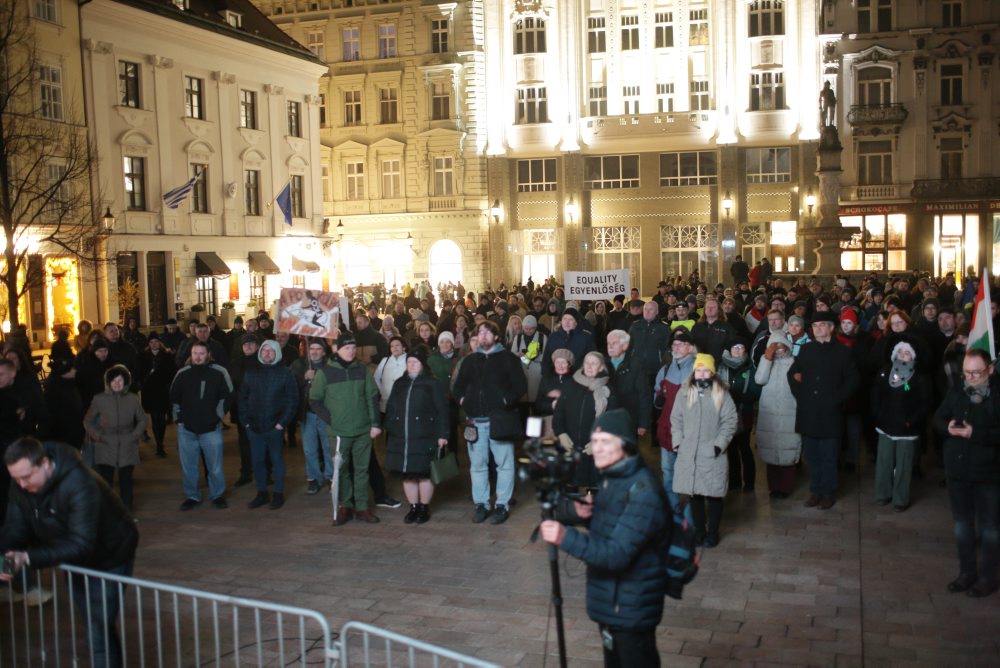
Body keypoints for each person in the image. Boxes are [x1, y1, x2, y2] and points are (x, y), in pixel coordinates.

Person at [539, 409, 670, 668]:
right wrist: (583, 514)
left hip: (631, 606)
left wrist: (566, 537)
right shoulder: (614, 477)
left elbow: (616, 554)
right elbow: (616, 525)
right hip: (613, 602)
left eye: (605, 441)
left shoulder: (643, 491)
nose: (597, 448)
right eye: (595, 441)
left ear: (626, 444)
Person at [1, 437, 139, 667]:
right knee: (93, 623)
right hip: (73, 557)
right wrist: (5, 564)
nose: (21, 485)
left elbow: (81, 544)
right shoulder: (21, 484)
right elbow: (14, 530)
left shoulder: (79, 483)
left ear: (45, 464)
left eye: (26, 477)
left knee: (98, 628)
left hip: (110, 556)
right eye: (15, 478)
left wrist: (26, 557)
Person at [933, 348, 1000, 598]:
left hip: (988, 473)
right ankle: (966, 573)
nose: (970, 378)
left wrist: (976, 434)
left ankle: (987, 578)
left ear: (990, 370)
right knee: (962, 525)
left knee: (990, 528)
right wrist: (947, 427)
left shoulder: (996, 397)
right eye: (966, 373)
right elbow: (937, 419)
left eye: (976, 373)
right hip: (958, 470)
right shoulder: (957, 392)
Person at [452, 321, 527, 525]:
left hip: (499, 420)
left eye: (487, 332)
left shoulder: (509, 359)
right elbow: (457, 387)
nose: (483, 335)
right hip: (475, 422)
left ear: (496, 336)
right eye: (480, 332)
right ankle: (481, 504)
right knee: (477, 466)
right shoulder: (469, 361)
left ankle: (502, 504)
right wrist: (464, 401)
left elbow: (520, 386)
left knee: (504, 464)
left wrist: (504, 401)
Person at [309, 331, 383, 525]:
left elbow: (372, 397)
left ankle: (362, 507)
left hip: (363, 431)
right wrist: (331, 420)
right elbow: (315, 400)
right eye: (347, 348)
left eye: (353, 347)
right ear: (336, 349)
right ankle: (346, 506)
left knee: (362, 470)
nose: (351, 351)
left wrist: (375, 423)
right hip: (338, 433)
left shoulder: (362, 370)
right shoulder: (325, 372)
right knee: (341, 471)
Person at [788, 312, 859, 509]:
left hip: (830, 412)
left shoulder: (843, 352)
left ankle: (828, 492)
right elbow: (792, 373)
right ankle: (815, 490)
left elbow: (853, 380)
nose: (818, 329)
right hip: (809, 410)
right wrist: (801, 395)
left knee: (829, 455)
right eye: (815, 325)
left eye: (822, 325)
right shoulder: (806, 349)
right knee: (811, 455)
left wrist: (837, 399)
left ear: (831, 327)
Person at [671, 354, 737, 547]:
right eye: (698, 370)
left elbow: (730, 421)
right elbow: (676, 419)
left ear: (712, 373)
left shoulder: (721, 394)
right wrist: (678, 442)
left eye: (706, 370)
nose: (701, 374)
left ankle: (713, 532)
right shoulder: (684, 392)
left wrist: (719, 445)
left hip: (712, 452)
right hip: (689, 451)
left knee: (714, 494)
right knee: (695, 495)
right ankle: (699, 531)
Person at [384, 347, 449, 524]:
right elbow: (391, 407)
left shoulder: (432, 383)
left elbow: (442, 410)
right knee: (408, 475)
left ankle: (424, 507)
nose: (411, 365)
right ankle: (413, 507)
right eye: (409, 362)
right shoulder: (399, 383)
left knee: (424, 474)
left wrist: (443, 434)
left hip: (425, 435)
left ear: (422, 365)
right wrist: (390, 425)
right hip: (402, 437)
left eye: (415, 362)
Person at [169, 341, 233, 511]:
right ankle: (192, 495)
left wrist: (217, 417)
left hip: (211, 429)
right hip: (187, 429)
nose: (198, 357)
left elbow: (227, 395)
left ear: (208, 355)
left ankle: (217, 495)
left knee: (215, 466)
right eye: (195, 353)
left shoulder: (219, 372)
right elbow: (174, 397)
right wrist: (178, 418)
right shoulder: (182, 373)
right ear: (191, 355)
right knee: (189, 467)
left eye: (202, 353)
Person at [870, 341, 931, 511]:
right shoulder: (885, 371)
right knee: (884, 460)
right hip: (885, 425)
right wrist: (877, 414)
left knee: (904, 464)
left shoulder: (920, 377)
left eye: (907, 353)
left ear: (913, 356)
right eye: (900, 352)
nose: (903, 356)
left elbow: (925, 403)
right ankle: (883, 493)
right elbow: (876, 393)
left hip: (907, 428)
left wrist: (911, 421)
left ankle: (900, 499)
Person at [239, 339, 299, 510]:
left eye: (271, 350)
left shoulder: (286, 373)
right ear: (260, 353)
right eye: (264, 350)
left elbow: (292, 400)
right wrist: (246, 421)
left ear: (277, 353)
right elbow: (242, 398)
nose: (267, 353)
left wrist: (282, 423)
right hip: (254, 427)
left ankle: (278, 493)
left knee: (277, 460)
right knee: (258, 461)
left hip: (275, 427)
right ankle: (262, 493)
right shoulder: (250, 373)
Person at [83, 365, 146, 512]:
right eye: (114, 380)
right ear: (108, 382)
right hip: (106, 442)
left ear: (126, 382)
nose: (117, 383)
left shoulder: (133, 399)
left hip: (127, 442)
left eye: (120, 380)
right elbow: (87, 421)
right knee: (106, 480)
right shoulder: (99, 399)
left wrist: (135, 435)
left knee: (126, 479)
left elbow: (142, 419)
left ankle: (127, 510)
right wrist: (98, 436)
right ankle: (108, 511)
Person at [554, 351, 619, 490]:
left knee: (594, 490)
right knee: (570, 488)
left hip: (594, 451)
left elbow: (613, 422)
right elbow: (559, 412)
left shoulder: (608, 390)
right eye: (587, 362)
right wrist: (561, 433)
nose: (589, 366)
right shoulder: (570, 385)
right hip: (571, 447)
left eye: (593, 363)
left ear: (601, 367)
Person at [754, 331, 800, 498]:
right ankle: (774, 487)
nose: (779, 349)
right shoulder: (766, 361)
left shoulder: (794, 362)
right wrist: (767, 359)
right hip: (770, 412)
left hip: (789, 410)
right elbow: (760, 379)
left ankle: (786, 487)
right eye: (775, 346)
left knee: (788, 447)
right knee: (770, 448)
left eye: (781, 346)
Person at [292, 340, 334, 495]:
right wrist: (304, 378)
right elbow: (291, 385)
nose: (314, 352)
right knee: (309, 449)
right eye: (312, 349)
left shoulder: (330, 367)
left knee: (328, 448)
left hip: (325, 413)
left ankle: (331, 477)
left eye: (318, 349)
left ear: (324, 351)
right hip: (307, 413)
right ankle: (314, 478)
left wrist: (318, 378)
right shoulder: (298, 365)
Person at [717, 340, 759, 492]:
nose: (738, 350)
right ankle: (735, 481)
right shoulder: (721, 367)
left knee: (744, 447)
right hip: (725, 414)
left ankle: (749, 482)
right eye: (735, 347)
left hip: (744, 412)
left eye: (741, 347)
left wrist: (737, 397)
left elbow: (755, 391)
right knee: (731, 448)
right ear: (729, 350)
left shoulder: (750, 368)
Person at [139, 332, 176, 458]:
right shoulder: (143, 356)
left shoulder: (167, 355)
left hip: (162, 390)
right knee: (155, 417)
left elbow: (173, 372)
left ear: (160, 343)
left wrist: (167, 383)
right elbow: (139, 372)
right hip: (150, 391)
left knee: (162, 417)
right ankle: (159, 445)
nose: (154, 344)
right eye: (151, 342)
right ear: (148, 344)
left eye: (156, 341)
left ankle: (161, 441)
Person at [43, 357, 85, 450]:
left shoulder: (70, 384)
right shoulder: (55, 389)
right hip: (64, 436)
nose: (75, 371)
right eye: (72, 369)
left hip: (73, 433)